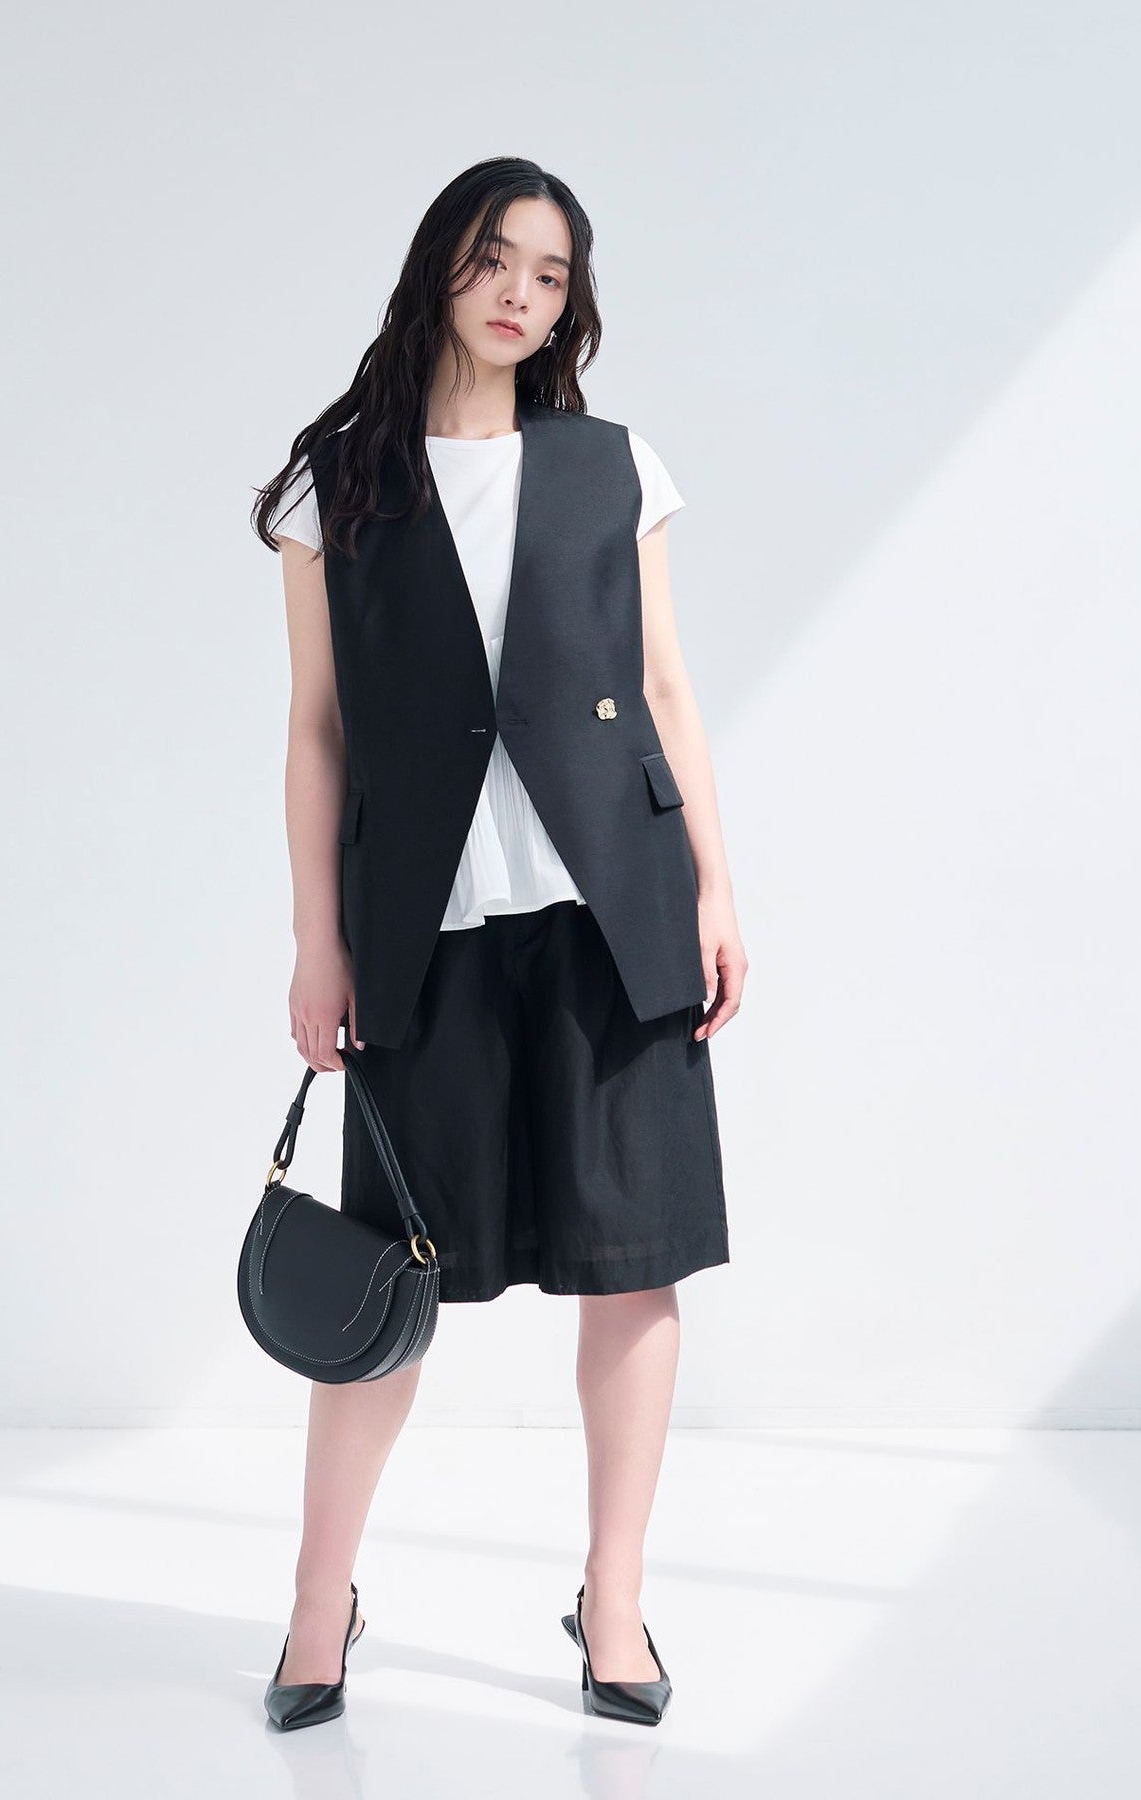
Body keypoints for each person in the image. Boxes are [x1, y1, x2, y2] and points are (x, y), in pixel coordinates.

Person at [250, 156, 748, 1730]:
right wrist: (317, 940)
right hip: (426, 933)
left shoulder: (611, 466)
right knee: (386, 1287)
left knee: (635, 1270)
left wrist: (716, 891)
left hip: (613, 921)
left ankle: (614, 1602)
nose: (521, 292)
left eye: (549, 271)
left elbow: (665, 691)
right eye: (494, 258)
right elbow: (317, 730)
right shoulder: (342, 479)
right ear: (440, 267)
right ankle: (320, 1604)